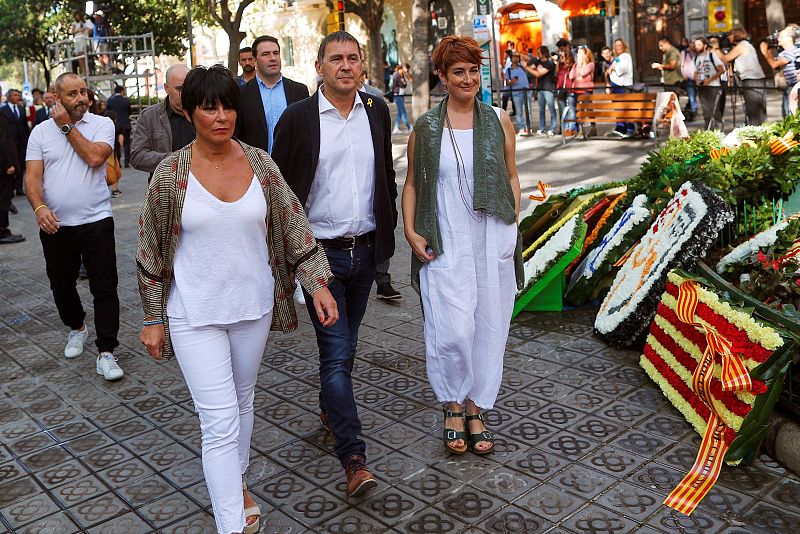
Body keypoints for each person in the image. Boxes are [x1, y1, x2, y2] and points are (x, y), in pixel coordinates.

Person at [137, 64, 335, 534]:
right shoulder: (171, 173)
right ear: (189, 110)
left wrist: (317, 282)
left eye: (228, 106)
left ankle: (236, 483)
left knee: (242, 403)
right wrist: (152, 315)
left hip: (252, 307)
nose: (221, 116)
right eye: (210, 107)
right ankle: (232, 522)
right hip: (194, 312)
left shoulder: (261, 164)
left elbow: (292, 225)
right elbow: (150, 247)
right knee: (220, 418)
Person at [271, 31, 397, 498]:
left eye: (353, 58)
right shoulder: (298, 118)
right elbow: (279, 192)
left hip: (364, 252)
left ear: (362, 65)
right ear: (320, 66)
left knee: (349, 343)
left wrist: (388, 240)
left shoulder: (376, 111)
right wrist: (289, 257)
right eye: (335, 59)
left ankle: (330, 405)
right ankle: (354, 457)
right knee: (336, 352)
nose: (345, 66)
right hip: (318, 258)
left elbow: (386, 175)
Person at [402, 34, 522, 456]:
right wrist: (410, 231)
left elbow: (510, 174)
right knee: (452, 329)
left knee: (489, 327)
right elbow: (413, 185)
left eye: (474, 70)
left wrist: (512, 223)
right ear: (442, 77)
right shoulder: (427, 128)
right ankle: (451, 402)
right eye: (459, 72)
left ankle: (474, 408)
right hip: (446, 241)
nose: (468, 78)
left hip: (491, 241)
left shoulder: (498, 118)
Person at [24, 72, 123, 381]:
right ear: (56, 98)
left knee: (104, 287)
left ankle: (106, 351)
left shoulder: (102, 124)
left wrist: (66, 126)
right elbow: (32, 179)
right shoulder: (40, 133)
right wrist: (39, 208)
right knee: (61, 285)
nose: (82, 98)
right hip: (57, 226)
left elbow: (95, 158)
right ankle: (77, 326)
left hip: (96, 219)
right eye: (72, 94)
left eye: (84, 92)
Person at [236, 35, 309, 154]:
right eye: (266, 54)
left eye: (276, 53)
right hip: (256, 168)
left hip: (293, 168)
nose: (273, 58)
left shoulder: (299, 91)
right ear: (255, 60)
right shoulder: (241, 94)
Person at [130, 64, 196, 179]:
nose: (185, 93)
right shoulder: (149, 116)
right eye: (179, 89)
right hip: (164, 189)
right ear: (166, 88)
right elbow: (137, 156)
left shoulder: (202, 112)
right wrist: (177, 159)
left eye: (189, 88)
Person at [720, 27, 766, 125]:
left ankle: (757, 132)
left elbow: (726, 58)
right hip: (755, 79)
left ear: (735, 35)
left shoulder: (742, 46)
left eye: (730, 35)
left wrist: (715, 49)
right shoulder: (746, 44)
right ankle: (760, 130)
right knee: (758, 110)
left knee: (754, 111)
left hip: (751, 80)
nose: (728, 37)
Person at [760, 25, 800, 118]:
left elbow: (774, 64)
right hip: (789, 86)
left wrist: (765, 53)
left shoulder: (792, 51)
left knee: (790, 113)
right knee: (786, 113)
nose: (778, 39)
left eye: (781, 37)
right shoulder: (784, 52)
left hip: (793, 86)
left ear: (789, 38)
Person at [1, 89, 30, 196]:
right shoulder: (3, 110)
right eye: (15, 95)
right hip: (10, 142)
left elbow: (25, 126)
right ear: (8, 97)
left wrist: (27, 140)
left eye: (18, 95)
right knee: (11, 164)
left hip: (21, 142)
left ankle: (19, 187)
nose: (17, 97)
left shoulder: (22, 109)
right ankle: (11, 187)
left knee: (20, 164)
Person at [524, 46, 557, 136]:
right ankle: (542, 128)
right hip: (540, 89)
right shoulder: (538, 62)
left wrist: (526, 67)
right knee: (541, 110)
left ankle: (552, 128)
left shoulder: (549, 64)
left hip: (548, 89)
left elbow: (538, 74)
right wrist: (524, 59)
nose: (537, 55)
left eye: (539, 53)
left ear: (543, 53)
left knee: (551, 109)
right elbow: (531, 67)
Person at [0, 116, 23, 244]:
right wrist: (7, 164)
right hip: (3, 169)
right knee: (3, 200)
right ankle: (3, 232)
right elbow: (2, 142)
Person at [694, 37, 726, 129]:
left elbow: (721, 70)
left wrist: (709, 80)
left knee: (715, 110)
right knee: (706, 111)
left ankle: (719, 130)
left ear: (704, 45)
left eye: (699, 44)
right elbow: (695, 72)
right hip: (702, 87)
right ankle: (708, 131)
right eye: (695, 45)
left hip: (713, 87)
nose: (696, 47)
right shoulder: (696, 58)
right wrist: (697, 80)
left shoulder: (712, 56)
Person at [607, 39, 635, 137]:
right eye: (616, 45)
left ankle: (629, 129)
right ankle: (620, 127)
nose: (617, 47)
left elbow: (622, 69)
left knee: (625, 108)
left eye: (619, 45)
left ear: (623, 46)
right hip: (615, 85)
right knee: (618, 108)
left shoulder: (626, 56)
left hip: (623, 86)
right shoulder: (618, 57)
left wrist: (612, 68)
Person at [569, 47, 595, 136]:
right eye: (578, 53)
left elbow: (583, 73)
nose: (578, 55)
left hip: (586, 91)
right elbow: (571, 76)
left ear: (585, 55)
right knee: (579, 111)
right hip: (576, 90)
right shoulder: (576, 65)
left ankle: (593, 128)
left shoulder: (591, 64)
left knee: (588, 110)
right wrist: (576, 66)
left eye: (580, 53)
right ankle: (580, 130)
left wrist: (579, 66)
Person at [106, 85, 132, 167]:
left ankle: (117, 162)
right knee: (127, 143)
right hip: (126, 123)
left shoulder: (110, 100)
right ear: (122, 91)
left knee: (115, 143)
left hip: (114, 125)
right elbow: (129, 111)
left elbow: (107, 112)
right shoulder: (126, 101)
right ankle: (127, 161)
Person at [506, 53, 529, 134]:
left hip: (526, 92)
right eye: (514, 57)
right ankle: (521, 128)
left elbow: (528, 59)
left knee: (528, 110)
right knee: (519, 112)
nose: (516, 59)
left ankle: (528, 127)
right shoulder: (508, 70)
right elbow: (507, 83)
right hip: (516, 93)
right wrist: (512, 82)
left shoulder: (522, 66)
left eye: (517, 57)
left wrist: (519, 53)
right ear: (511, 59)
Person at [555, 48, 575, 136]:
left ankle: (570, 128)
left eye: (563, 56)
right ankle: (563, 128)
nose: (561, 58)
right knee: (562, 110)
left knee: (571, 109)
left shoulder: (572, 65)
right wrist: (558, 62)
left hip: (570, 89)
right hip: (560, 89)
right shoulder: (559, 65)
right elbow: (556, 74)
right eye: (560, 56)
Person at [680, 42, 699, 121]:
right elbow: (681, 64)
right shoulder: (684, 53)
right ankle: (694, 112)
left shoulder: (698, 53)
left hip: (697, 78)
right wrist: (682, 75)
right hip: (688, 77)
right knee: (691, 95)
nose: (693, 45)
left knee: (694, 95)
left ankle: (691, 109)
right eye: (692, 43)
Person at [391, 63, 412, 134]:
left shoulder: (401, 75)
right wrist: (403, 84)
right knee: (403, 112)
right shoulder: (396, 74)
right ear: (403, 68)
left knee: (400, 113)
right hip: (397, 95)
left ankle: (396, 128)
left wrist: (404, 84)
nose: (407, 71)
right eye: (407, 69)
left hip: (401, 95)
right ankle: (409, 127)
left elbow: (405, 84)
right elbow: (401, 84)